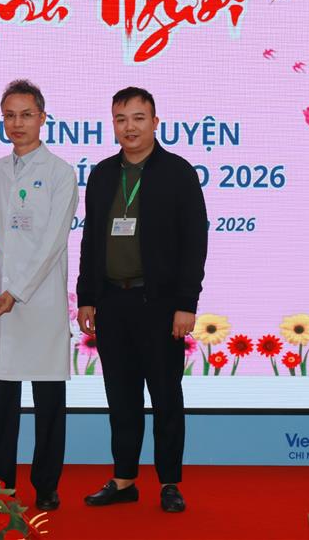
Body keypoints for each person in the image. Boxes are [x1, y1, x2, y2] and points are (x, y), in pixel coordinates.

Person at [76, 87, 208, 512]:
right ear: (113, 124)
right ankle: (124, 479)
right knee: (121, 397)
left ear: (155, 122)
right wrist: (86, 296)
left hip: (161, 306)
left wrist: (186, 303)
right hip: (112, 303)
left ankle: (169, 482)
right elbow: (91, 240)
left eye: (138, 118)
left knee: (166, 396)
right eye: (121, 119)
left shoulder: (178, 172)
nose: (129, 127)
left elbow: (195, 242)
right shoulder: (102, 174)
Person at [0, 79, 78, 512]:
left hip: (40, 303)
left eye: (26, 115)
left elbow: (53, 242)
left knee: (49, 403)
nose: (18, 123)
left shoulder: (61, 173)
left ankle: (46, 484)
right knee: (3, 403)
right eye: (10, 116)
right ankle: (0, 484)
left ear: (43, 118)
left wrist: (17, 291)